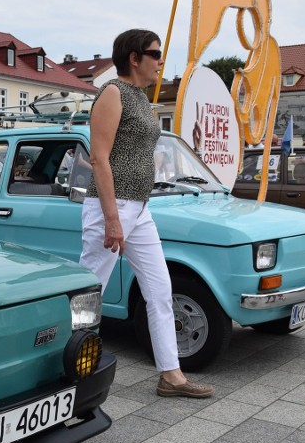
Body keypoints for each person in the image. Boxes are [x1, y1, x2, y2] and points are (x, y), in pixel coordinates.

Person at [79, 28, 214, 399]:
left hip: (139, 206)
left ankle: (171, 375)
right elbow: (99, 158)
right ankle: (64, 366)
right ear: (134, 58)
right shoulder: (112, 92)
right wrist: (111, 218)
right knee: (89, 293)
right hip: (113, 206)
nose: (160, 61)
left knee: (159, 289)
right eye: (155, 54)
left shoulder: (141, 98)